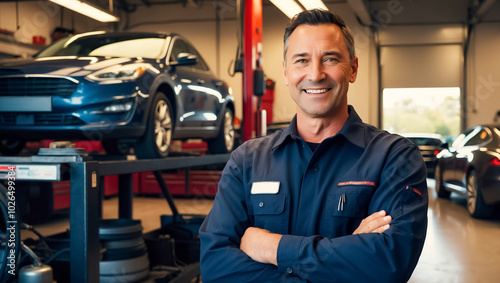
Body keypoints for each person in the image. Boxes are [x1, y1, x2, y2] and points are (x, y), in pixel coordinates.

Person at [199, 9, 428, 283]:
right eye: (302, 61)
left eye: (330, 59)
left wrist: (271, 247)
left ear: (353, 69)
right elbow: (215, 266)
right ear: (286, 72)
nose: (316, 74)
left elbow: (389, 264)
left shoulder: (394, 158)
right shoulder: (246, 161)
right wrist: (345, 257)